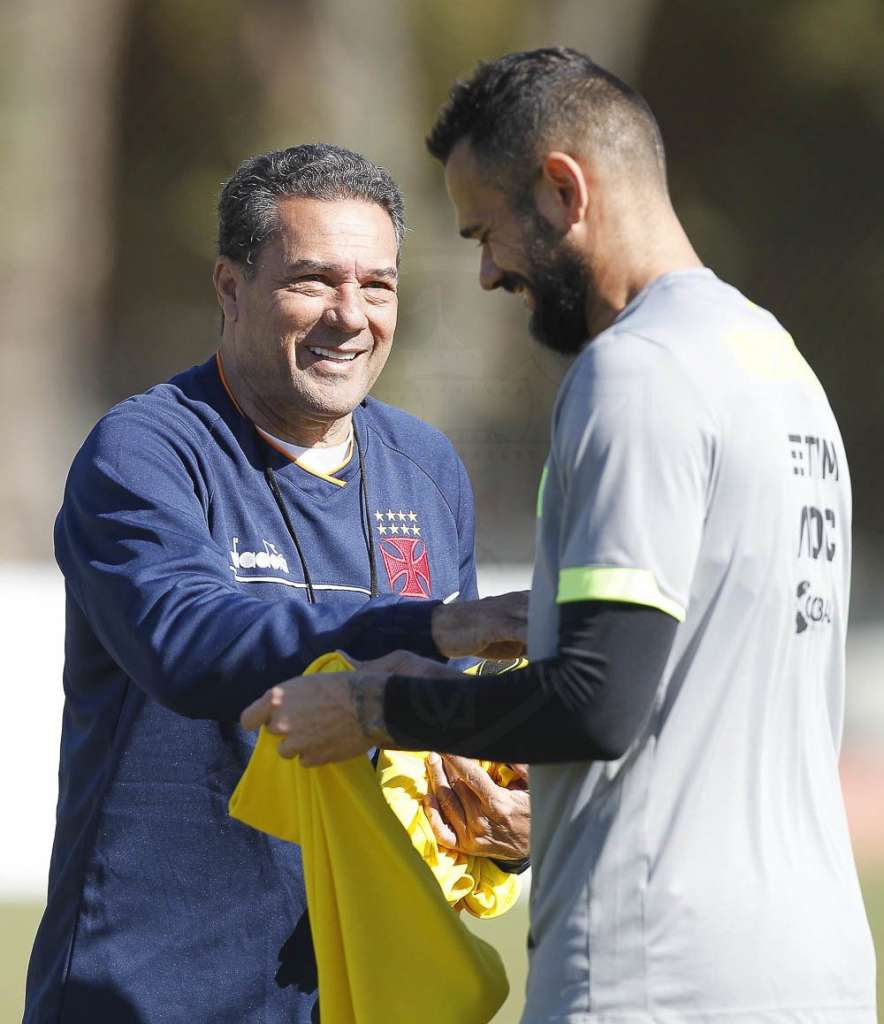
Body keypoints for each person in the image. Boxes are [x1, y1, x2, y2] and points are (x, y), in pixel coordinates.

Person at [245, 51, 878, 1023]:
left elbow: (595, 698)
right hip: (815, 967)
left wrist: (374, 705)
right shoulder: (778, 370)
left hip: (655, 970)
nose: (488, 268)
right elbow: (681, 677)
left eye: (486, 230)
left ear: (561, 189)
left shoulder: (634, 372)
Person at [24, 143, 529, 1024]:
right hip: (150, 993)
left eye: (378, 286)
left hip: (358, 993)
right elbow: (190, 642)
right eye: (312, 280)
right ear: (229, 286)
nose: (351, 315)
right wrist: (436, 627)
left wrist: (515, 824)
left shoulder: (427, 468)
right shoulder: (145, 451)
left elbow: (446, 722)